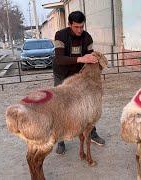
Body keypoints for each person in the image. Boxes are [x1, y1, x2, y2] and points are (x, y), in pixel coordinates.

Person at [52, 11, 105, 155]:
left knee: (88, 105)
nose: (80, 30)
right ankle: (60, 140)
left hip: (79, 75)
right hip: (62, 74)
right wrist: (81, 59)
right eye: (76, 27)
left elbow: (91, 56)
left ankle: (92, 133)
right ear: (69, 25)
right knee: (61, 106)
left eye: (82, 26)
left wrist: (95, 60)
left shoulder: (87, 37)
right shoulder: (60, 35)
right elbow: (59, 59)